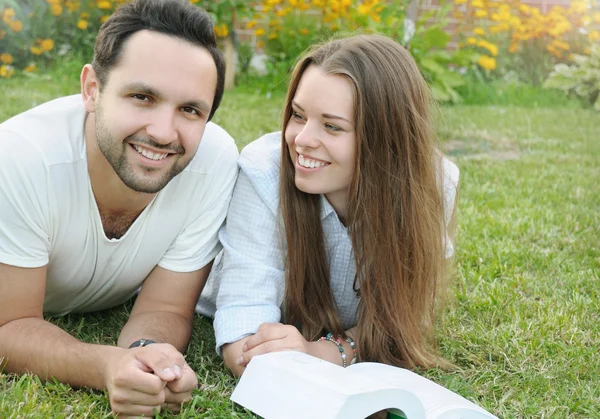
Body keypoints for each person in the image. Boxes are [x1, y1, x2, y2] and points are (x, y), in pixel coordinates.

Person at [0, 0, 238, 416]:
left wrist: (148, 358)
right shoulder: (21, 158)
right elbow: (9, 326)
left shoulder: (213, 161)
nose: (164, 133)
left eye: (190, 109)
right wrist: (105, 365)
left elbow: (164, 308)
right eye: (142, 96)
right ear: (92, 89)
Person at [203, 34, 459, 377]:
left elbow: (405, 320)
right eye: (297, 115)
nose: (302, 140)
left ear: (386, 140)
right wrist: (274, 357)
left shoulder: (433, 182)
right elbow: (243, 329)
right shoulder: (263, 171)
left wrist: (326, 351)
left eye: (332, 126)